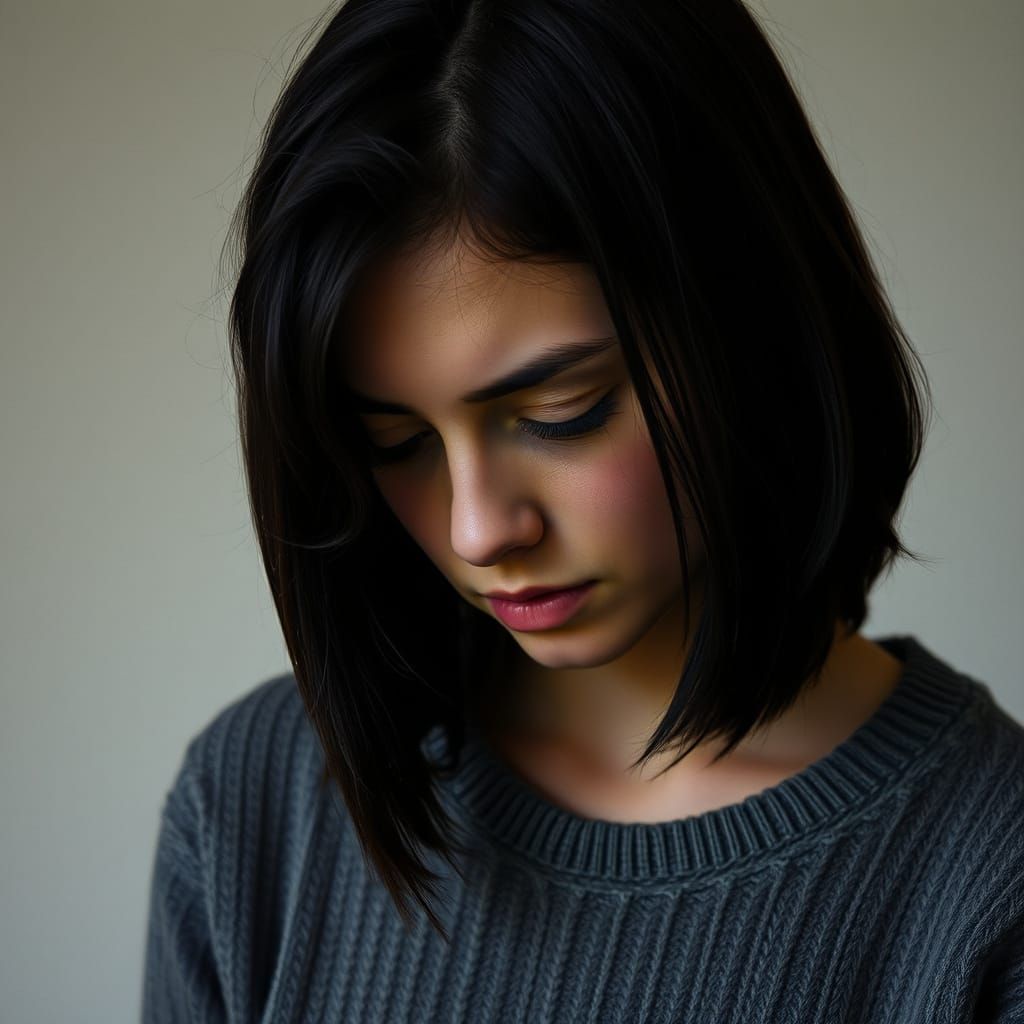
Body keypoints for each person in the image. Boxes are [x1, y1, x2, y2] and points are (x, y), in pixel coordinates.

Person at [142, 1, 1024, 1021]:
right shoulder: (252, 808)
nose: (478, 529)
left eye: (562, 413)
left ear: (751, 331)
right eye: (398, 442)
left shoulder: (986, 885)